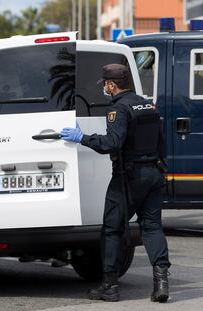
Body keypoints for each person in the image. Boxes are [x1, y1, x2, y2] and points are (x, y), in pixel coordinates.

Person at [60, 64, 171, 303]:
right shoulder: (147, 105)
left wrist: (83, 138)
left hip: (129, 178)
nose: (105, 89)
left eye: (106, 85)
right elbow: (162, 143)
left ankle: (109, 285)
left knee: (112, 229)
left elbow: (112, 143)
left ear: (112, 84)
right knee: (152, 227)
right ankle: (161, 282)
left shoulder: (118, 109)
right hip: (154, 173)